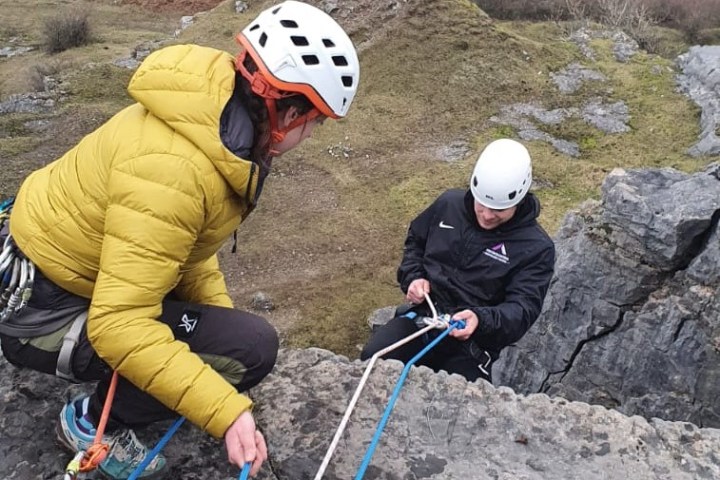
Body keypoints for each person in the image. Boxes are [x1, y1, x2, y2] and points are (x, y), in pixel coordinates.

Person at [0, 1, 359, 478]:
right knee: (250, 351)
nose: (311, 135)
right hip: (42, 313)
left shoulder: (210, 122)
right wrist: (226, 410)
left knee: (243, 345)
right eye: (314, 122)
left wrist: (222, 329)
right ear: (288, 111)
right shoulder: (178, 169)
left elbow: (182, 249)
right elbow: (118, 324)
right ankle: (88, 423)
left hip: (62, 275)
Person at [361, 139, 555, 383]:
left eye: (498, 210)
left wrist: (480, 319)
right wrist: (414, 277)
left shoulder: (535, 248)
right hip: (423, 319)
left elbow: (522, 310)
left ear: (520, 199)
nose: (486, 215)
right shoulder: (448, 205)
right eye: (481, 204)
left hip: (472, 344)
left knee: (455, 404)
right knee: (373, 360)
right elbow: (415, 243)